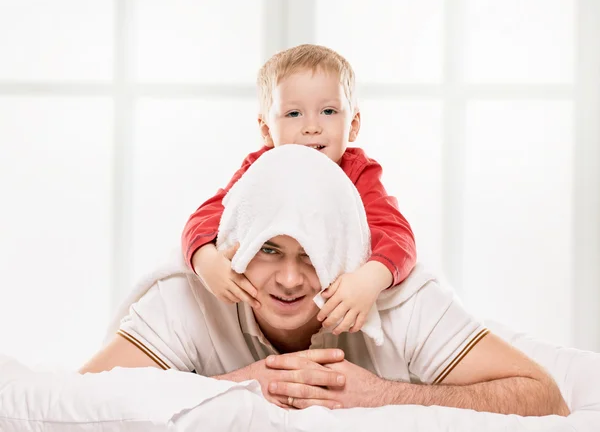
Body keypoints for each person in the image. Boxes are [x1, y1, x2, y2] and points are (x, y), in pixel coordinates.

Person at [81, 146, 569, 417]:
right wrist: (234, 387)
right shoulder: (190, 292)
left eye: (312, 257)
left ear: (345, 256)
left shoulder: (399, 298)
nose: (290, 279)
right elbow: (80, 398)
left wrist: (384, 395)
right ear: (236, 246)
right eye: (269, 250)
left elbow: (543, 395)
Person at [182, 44, 416, 335]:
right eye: (293, 114)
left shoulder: (358, 173)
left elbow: (398, 236)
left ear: (353, 124)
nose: (312, 127)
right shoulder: (259, 169)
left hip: (333, 315)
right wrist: (207, 261)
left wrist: (369, 280)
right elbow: (205, 217)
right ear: (266, 130)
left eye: (328, 111)